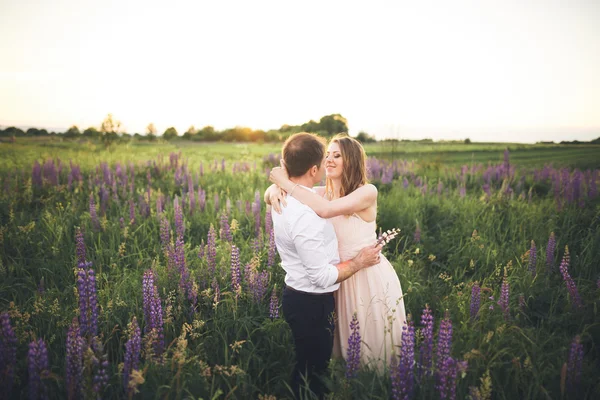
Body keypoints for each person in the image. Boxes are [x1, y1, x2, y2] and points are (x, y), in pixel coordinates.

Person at [266, 134, 407, 371]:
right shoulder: (322, 193)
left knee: (370, 344)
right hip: (336, 277)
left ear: (351, 161)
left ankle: (375, 387)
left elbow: (326, 210)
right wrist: (272, 190)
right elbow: (289, 195)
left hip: (364, 274)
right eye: (327, 155)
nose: (329, 160)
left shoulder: (366, 192)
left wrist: (285, 182)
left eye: (337, 155)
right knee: (338, 345)